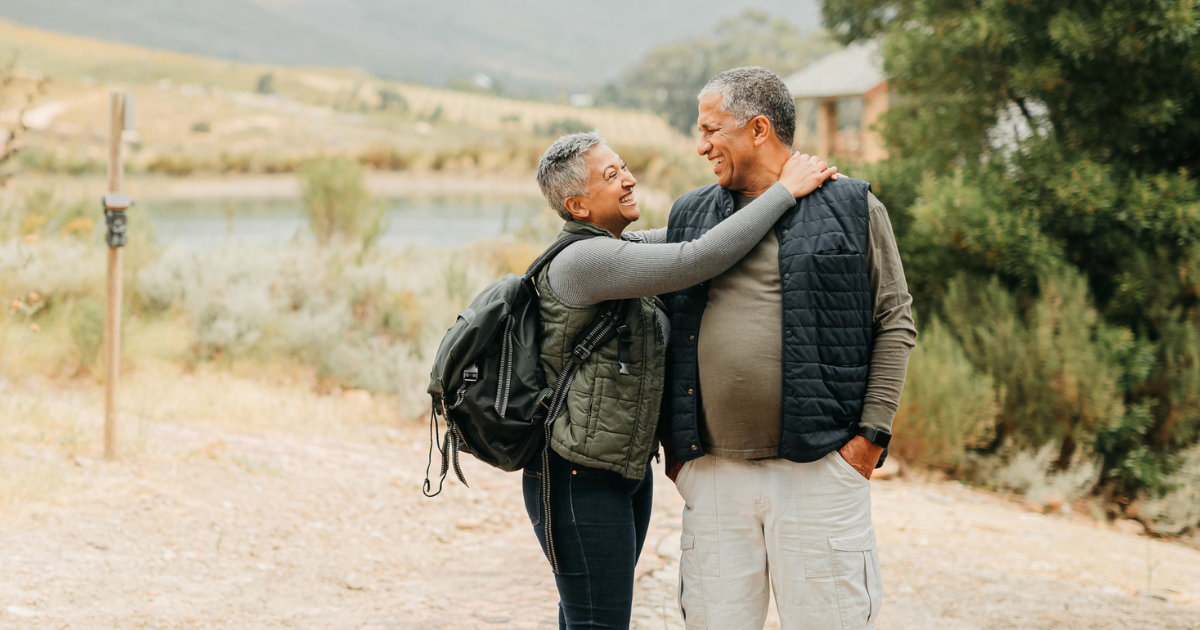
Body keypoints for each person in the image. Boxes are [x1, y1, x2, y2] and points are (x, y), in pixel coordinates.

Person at [525, 130, 837, 629]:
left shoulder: (621, 247)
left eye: (623, 166)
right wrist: (785, 190)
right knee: (598, 623)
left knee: (586, 618)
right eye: (612, 176)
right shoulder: (585, 261)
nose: (629, 180)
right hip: (575, 477)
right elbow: (698, 259)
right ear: (577, 205)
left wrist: (771, 180)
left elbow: (700, 237)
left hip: (621, 471)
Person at [659, 67, 917, 630]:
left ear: (757, 129)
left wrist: (868, 440)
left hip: (820, 469)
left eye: (710, 129)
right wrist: (678, 455)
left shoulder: (853, 205)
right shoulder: (688, 214)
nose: (700, 145)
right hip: (713, 473)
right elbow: (664, 319)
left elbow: (895, 321)